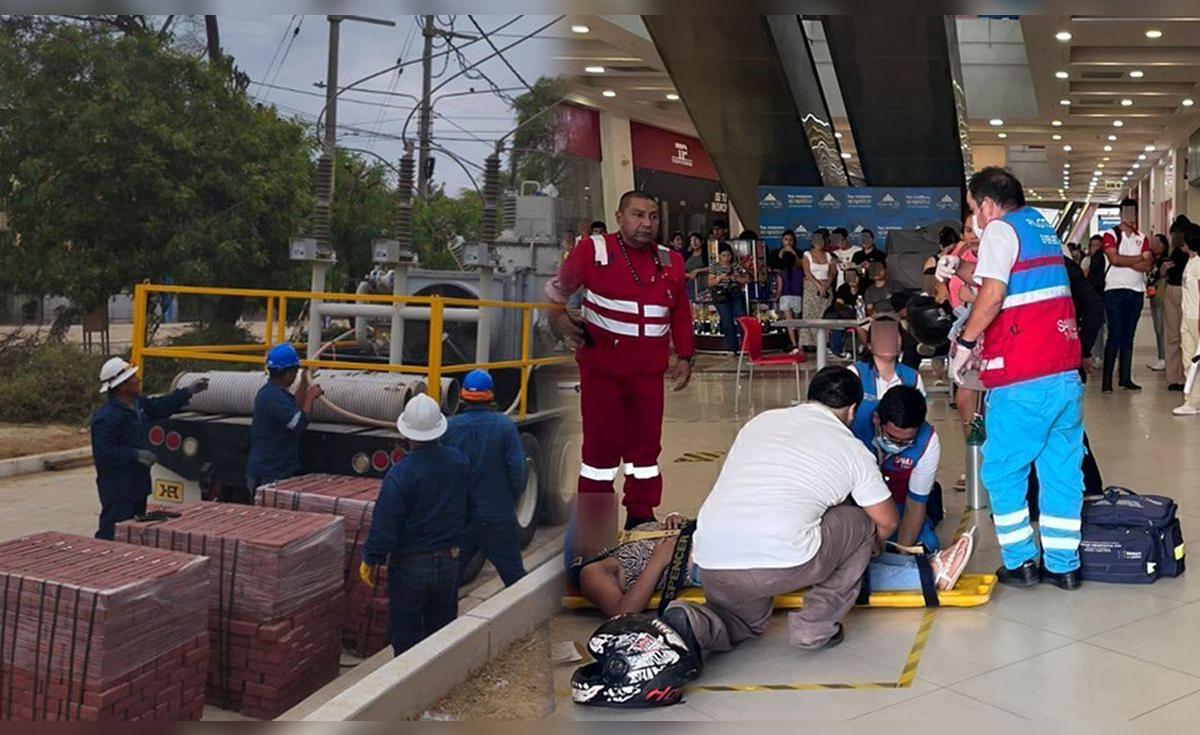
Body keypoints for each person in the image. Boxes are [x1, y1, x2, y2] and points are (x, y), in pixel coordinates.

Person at [662, 368, 899, 656]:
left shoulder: (759, 422)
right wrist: (869, 550)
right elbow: (886, 521)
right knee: (861, 523)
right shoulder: (852, 449)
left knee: (742, 622)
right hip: (783, 563)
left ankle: (693, 621)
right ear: (852, 412)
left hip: (713, 559)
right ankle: (814, 627)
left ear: (809, 398)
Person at [950, 167, 1083, 590]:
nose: (975, 219)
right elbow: (1005, 282)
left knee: (1003, 471)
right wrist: (958, 271)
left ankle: (1021, 561)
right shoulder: (1039, 228)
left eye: (974, 209)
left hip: (1024, 374)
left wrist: (966, 343)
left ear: (987, 204)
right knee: (1060, 470)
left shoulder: (1000, 230)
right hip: (1063, 372)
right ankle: (1064, 565)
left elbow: (992, 296)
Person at [546, 190, 695, 538]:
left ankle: (641, 515)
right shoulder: (592, 251)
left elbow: (681, 314)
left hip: (648, 375)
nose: (646, 224)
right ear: (619, 217)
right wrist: (559, 320)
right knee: (599, 452)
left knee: (645, 452)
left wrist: (685, 356)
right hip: (603, 374)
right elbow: (556, 291)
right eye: (638, 215)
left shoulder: (670, 260)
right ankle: (595, 524)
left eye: (653, 216)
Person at [573, 512, 975, 618]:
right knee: (814, 560)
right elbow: (622, 612)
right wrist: (662, 557)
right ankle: (926, 576)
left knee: (821, 543)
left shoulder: (624, 538)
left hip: (708, 540)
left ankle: (921, 564)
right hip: (707, 561)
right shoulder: (594, 570)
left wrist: (669, 526)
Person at [360, 394, 470, 656]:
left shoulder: (400, 474)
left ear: (406, 432)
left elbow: (386, 523)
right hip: (449, 559)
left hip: (410, 565)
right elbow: (469, 507)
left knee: (406, 636)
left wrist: (371, 558)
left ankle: (409, 690)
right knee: (442, 634)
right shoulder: (459, 463)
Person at [90, 358, 208, 539]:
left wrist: (187, 392)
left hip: (138, 483)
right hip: (118, 486)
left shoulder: (138, 405)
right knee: (114, 530)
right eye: (133, 378)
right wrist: (135, 455)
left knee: (134, 530)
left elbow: (160, 406)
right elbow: (104, 452)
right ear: (121, 387)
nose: (138, 380)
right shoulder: (106, 418)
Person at [443, 369, 527, 586]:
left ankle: (445, 619)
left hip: (462, 518)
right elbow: (518, 472)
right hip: (498, 516)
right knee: (516, 580)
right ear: (491, 394)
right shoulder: (505, 427)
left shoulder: (451, 428)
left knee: (449, 578)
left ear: (463, 395)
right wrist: (512, 499)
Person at [870, 386, 942, 551]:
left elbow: (915, 505)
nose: (896, 445)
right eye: (891, 438)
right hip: (860, 507)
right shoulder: (855, 431)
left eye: (905, 442)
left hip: (900, 504)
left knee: (927, 546)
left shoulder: (927, 441)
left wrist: (901, 554)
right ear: (876, 420)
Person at [245, 344, 323, 496]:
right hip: (270, 473)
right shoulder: (273, 398)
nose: (295, 374)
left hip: (271, 470)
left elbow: (295, 408)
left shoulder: (274, 394)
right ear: (287, 373)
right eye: (295, 371)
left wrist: (304, 383)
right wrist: (311, 397)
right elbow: (298, 423)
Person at [1100, 197, 1153, 392]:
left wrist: (1127, 260)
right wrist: (1139, 258)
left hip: (1136, 291)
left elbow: (1148, 264)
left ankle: (1125, 377)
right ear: (1121, 213)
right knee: (1114, 335)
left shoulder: (1142, 237)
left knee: (1128, 336)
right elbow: (1114, 259)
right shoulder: (1110, 234)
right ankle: (1107, 381)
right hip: (1114, 290)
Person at [848, 315, 925, 447]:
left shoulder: (913, 378)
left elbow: (918, 420)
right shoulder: (854, 374)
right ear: (869, 345)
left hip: (898, 458)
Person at [1173, 225, 1200, 416]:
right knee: (1188, 359)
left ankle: (1193, 400)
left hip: (1196, 318)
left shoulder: (1199, 263)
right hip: (1187, 316)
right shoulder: (1190, 262)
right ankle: (1191, 399)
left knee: (1195, 361)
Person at [1165, 216, 1193, 390]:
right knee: (1186, 335)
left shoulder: (1175, 251)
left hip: (1175, 290)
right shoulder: (1189, 252)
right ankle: (1188, 377)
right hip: (1185, 292)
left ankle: (1175, 377)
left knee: (1172, 336)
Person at [711, 246, 750, 354]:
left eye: (728, 255)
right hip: (721, 296)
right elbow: (710, 282)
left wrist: (736, 278)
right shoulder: (714, 266)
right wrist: (720, 278)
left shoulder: (736, 265)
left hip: (735, 294)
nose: (726, 258)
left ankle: (745, 345)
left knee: (741, 318)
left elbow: (747, 279)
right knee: (727, 321)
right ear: (719, 256)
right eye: (724, 255)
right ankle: (731, 347)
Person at [799, 228, 833, 348]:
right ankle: (804, 345)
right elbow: (807, 272)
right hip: (811, 287)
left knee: (824, 315)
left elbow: (832, 272)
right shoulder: (807, 255)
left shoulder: (829, 256)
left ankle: (824, 343)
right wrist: (818, 285)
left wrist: (826, 285)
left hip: (826, 288)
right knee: (809, 315)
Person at [775, 229, 805, 354]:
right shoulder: (799, 272)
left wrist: (776, 298)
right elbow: (803, 285)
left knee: (789, 323)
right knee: (798, 323)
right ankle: (800, 344)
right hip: (798, 297)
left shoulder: (781, 273)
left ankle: (794, 344)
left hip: (785, 298)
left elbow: (780, 288)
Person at [1081, 233, 1108, 368]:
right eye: (1093, 246)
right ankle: (1098, 355)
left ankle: (1106, 355)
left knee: (1107, 328)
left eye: (1099, 246)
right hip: (1093, 298)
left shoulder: (1106, 261)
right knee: (1097, 329)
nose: (1096, 248)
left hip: (1105, 296)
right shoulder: (1086, 261)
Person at [1147, 233, 1170, 372]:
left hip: (1161, 296)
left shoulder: (1165, 260)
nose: (1153, 246)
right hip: (1154, 296)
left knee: (1161, 327)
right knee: (1157, 327)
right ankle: (1161, 356)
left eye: (1156, 243)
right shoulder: (1154, 260)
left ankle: (1164, 358)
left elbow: (1160, 275)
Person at [684, 232, 709, 322]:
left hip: (705, 286)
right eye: (691, 240)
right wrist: (688, 275)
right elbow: (681, 271)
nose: (694, 242)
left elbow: (714, 267)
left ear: (701, 241)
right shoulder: (687, 255)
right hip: (690, 287)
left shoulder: (706, 255)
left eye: (696, 240)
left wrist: (698, 270)